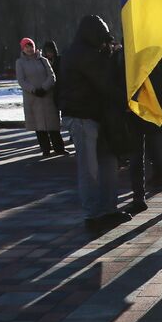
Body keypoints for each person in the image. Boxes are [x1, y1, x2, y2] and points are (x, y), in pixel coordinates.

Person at [58, 15, 132, 234]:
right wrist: (127, 101)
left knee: (107, 163)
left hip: (97, 116)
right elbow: (104, 83)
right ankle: (94, 213)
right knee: (90, 167)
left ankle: (108, 209)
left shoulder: (81, 52)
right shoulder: (82, 55)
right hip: (83, 117)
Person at [16, 37, 66, 156]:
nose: (29, 49)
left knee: (53, 124)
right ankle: (45, 149)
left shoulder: (43, 60)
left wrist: (44, 88)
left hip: (47, 96)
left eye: (31, 46)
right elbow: (21, 80)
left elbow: (52, 76)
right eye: (26, 47)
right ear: (23, 48)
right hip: (33, 98)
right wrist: (34, 90)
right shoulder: (20, 62)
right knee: (39, 125)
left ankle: (59, 148)